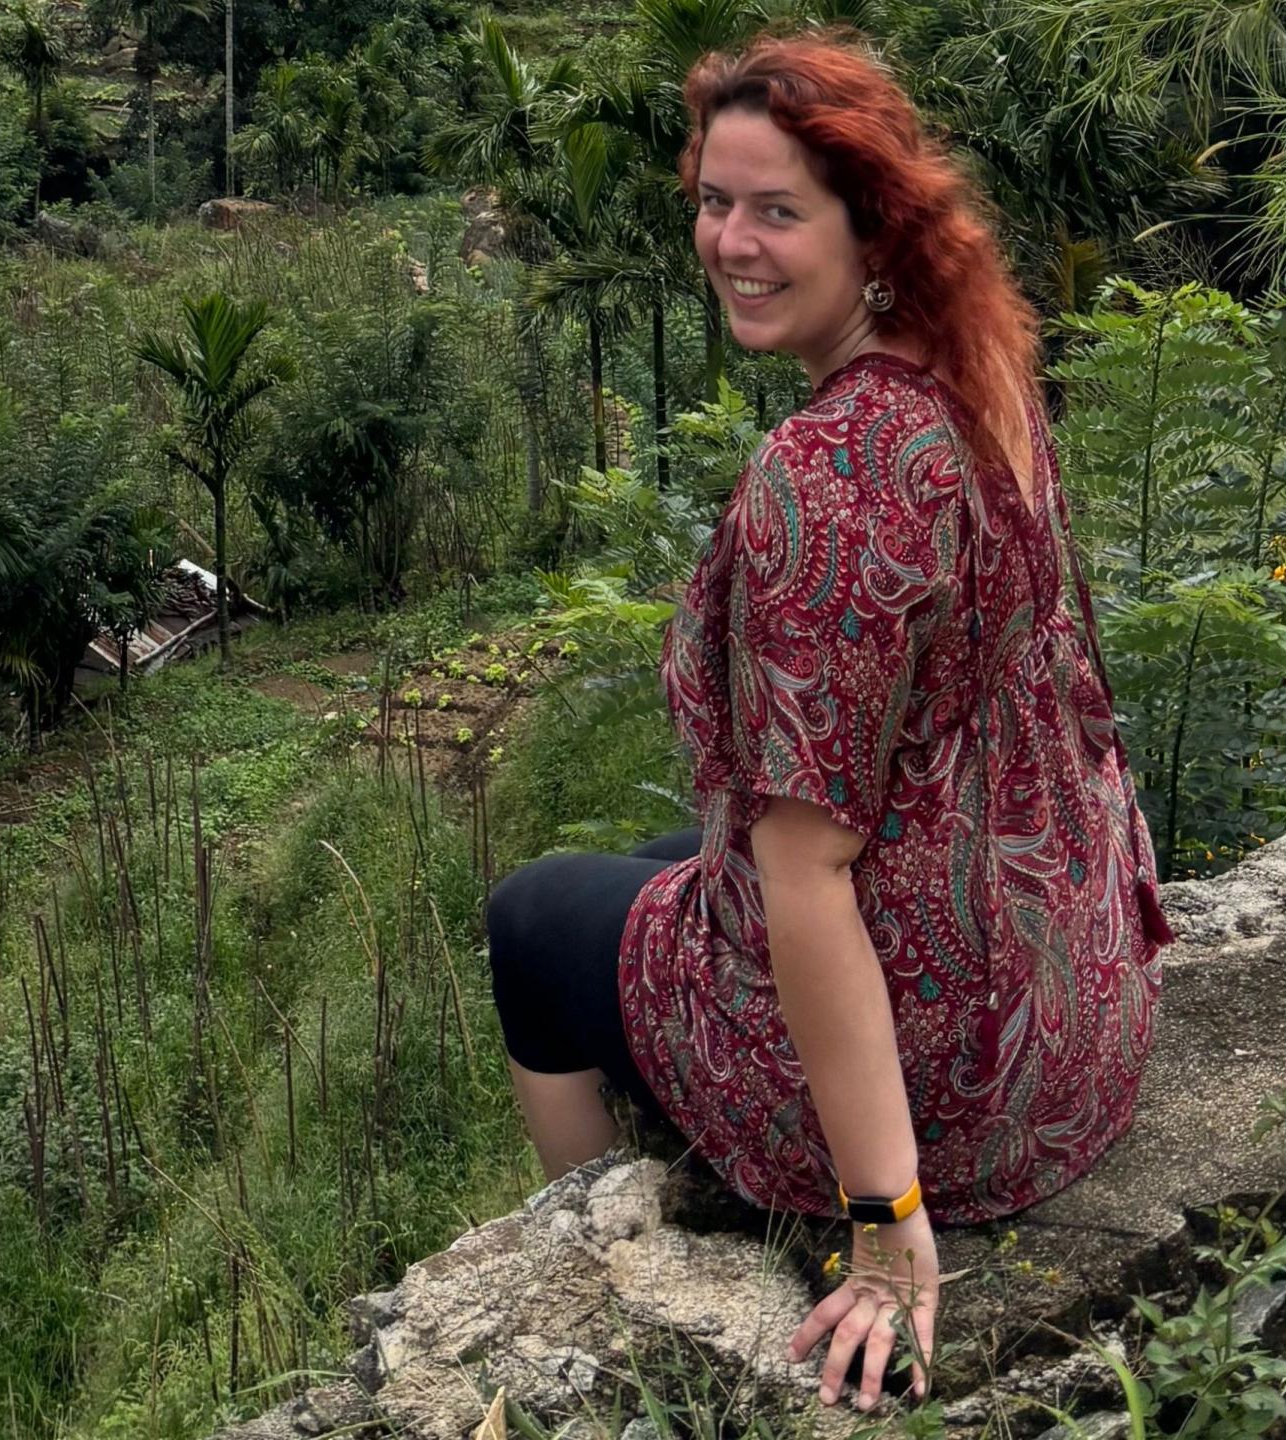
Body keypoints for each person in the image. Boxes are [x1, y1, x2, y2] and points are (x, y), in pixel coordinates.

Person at [484, 28, 1176, 1415]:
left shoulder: (826, 481)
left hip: (959, 1098)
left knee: (535, 919)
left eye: (777, 211)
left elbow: (806, 875)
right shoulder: (979, 372)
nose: (731, 242)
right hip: (1069, 1006)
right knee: (671, 857)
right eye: (713, 201)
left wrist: (884, 1224)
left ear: (872, 230)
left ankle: (605, 1267)